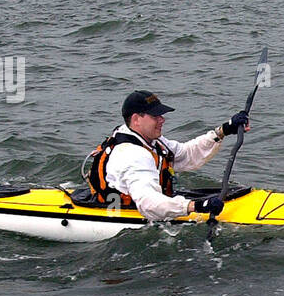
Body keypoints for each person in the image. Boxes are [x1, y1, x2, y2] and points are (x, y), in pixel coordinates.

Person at [85, 90, 249, 221]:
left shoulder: (149, 139)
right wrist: (196, 206)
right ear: (136, 119)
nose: (162, 119)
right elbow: (149, 204)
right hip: (124, 212)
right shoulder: (132, 154)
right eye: (155, 116)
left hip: (146, 201)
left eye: (161, 115)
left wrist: (223, 131)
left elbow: (185, 155)